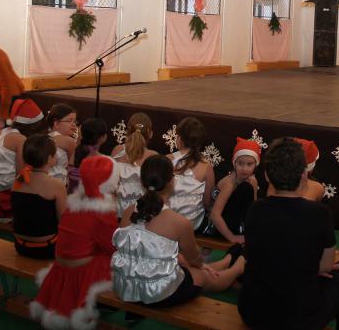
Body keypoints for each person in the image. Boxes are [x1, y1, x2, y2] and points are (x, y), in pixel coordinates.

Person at [239, 137, 339, 330]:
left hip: (252, 312)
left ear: (267, 176)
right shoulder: (319, 213)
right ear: (304, 175)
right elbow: (326, 265)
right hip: (299, 318)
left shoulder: (255, 209)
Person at [111, 155, 245, 309]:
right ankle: (239, 265)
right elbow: (195, 259)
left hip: (125, 285)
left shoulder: (128, 211)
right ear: (172, 181)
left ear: (142, 181)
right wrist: (200, 266)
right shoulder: (178, 221)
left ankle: (227, 260)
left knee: (186, 266)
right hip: (157, 293)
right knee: (205, 276)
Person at [30, 155, 120, 329]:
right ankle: (100, 303)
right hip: (82, 270)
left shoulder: (73, 205)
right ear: (109, 183)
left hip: (61, 265)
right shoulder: (102, 212)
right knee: (118, 259)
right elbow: (112, 245)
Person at [0, 99, 43, 222]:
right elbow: (21, 172)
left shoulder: (2, 132)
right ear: (32, 125)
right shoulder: (20, 139)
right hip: (3, 191)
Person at [12, 134, 67, 259]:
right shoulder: (56, 184)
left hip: (20, 245)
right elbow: (63, 221)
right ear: (49, 159)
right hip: (46, 248)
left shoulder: (19, 179)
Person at [167, 117, 215, 232]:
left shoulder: (167, 160)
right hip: (192, 223)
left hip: (167, 220)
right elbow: (207, 201)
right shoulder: (206, 166)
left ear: (179, 138)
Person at [209, 138, 260, 245]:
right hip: (218, 224)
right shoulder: (229, 184)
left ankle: (244, 230)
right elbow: (215, 215)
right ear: (234, 163)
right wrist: (232, 237)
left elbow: (253, 209)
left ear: (256, 164)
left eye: (249, 164)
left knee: (247, 188)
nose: (244, 169)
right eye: (240, 164)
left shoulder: (253, 181)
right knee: (245, 188)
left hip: (238, 219)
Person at [111, 113, 157, 217]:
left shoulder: (117, 150)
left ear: (127, 132)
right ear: (150, 133)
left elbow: (110, 183)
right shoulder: (153, 156)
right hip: (140, 214)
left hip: (116, 210)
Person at [67, 118, 108, 194]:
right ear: (102, 137)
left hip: (71, 196)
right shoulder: (101, 159)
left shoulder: (76, 151)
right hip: (89, 199)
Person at [46, 104, 78, 186]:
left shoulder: (45, 137)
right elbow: (76, 164)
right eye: (69, 121)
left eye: (74, 121)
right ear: (56, 123)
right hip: (58, 184)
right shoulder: (68, 141)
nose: (74, 124)